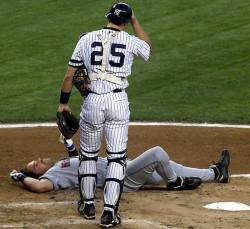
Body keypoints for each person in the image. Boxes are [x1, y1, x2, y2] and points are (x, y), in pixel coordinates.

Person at [57, 2, 151, 227]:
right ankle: (109, 212)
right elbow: (147, 48)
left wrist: (63, 104)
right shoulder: (130, 41)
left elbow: (70, 77)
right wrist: (136, 21)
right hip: (118, 101)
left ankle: (88, 205)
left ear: (108, 16)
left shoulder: (86, 38)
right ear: (126, 22)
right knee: (116, 157)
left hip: (92, 100)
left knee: (88, 155)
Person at [10, 137, 230, 195]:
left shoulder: (60, 164)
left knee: (165, 163)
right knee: (157, 153)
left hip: (125, 167)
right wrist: (20, 176)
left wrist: (68, 142)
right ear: (37, 174)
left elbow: (79, 162)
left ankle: (216, 174)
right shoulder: (51, 175)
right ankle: (174, 184)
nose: (38, 162)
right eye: (34, 165)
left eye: (36, 160)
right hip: (122, 179)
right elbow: (40, 187)